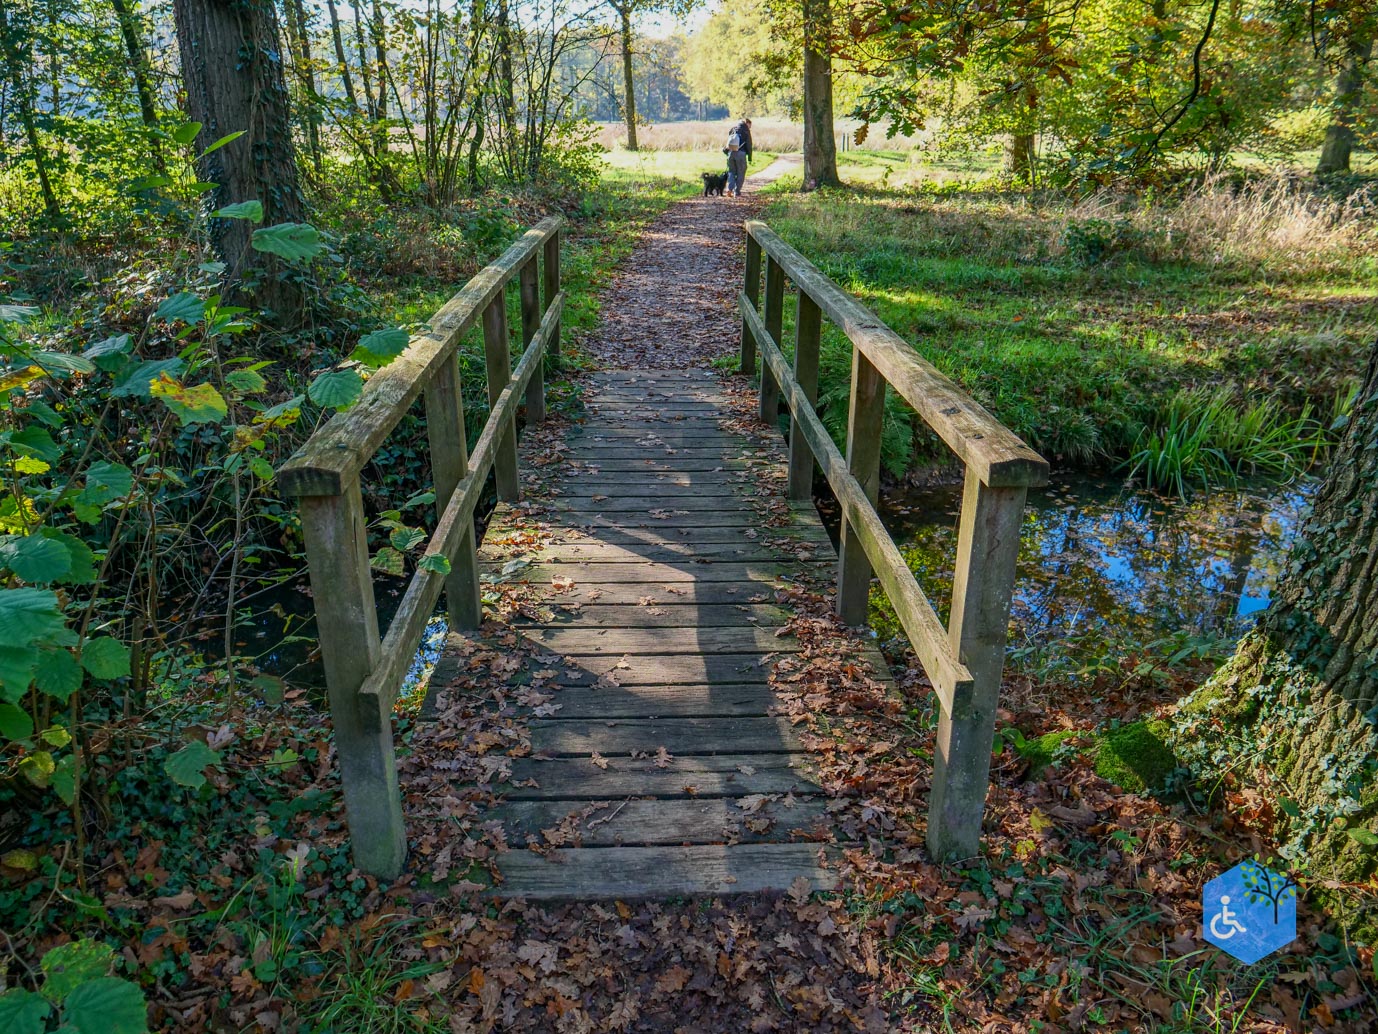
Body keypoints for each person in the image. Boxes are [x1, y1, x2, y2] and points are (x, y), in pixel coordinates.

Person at [723, 117, 753, 198]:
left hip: (731, 153)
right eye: (750, 125)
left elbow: (728, 142)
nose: (750, 127)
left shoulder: (733, 129)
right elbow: (749, 145)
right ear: (747, 123)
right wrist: (750, 158)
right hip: (741, 154)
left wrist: (726, 152)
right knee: (741, 172)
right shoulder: (746, 131)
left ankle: (729, 189)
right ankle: (737, 191)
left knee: (731, 171)